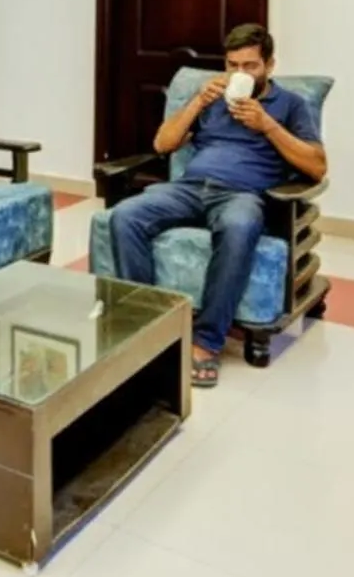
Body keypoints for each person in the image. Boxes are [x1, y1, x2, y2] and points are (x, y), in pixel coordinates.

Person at [107, 23, 327, 389]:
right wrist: (197, 102)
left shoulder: (290, 105)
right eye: (232, 65)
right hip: (190, 187)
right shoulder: (210, 98)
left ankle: (206, 341)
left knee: (239, 226)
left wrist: (267, 125)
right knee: (125, 215)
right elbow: (163, 144)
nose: (239, 74)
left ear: (269, 65)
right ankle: (149, 327)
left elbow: (317, 165)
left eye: (250, 66)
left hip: (242, 194)